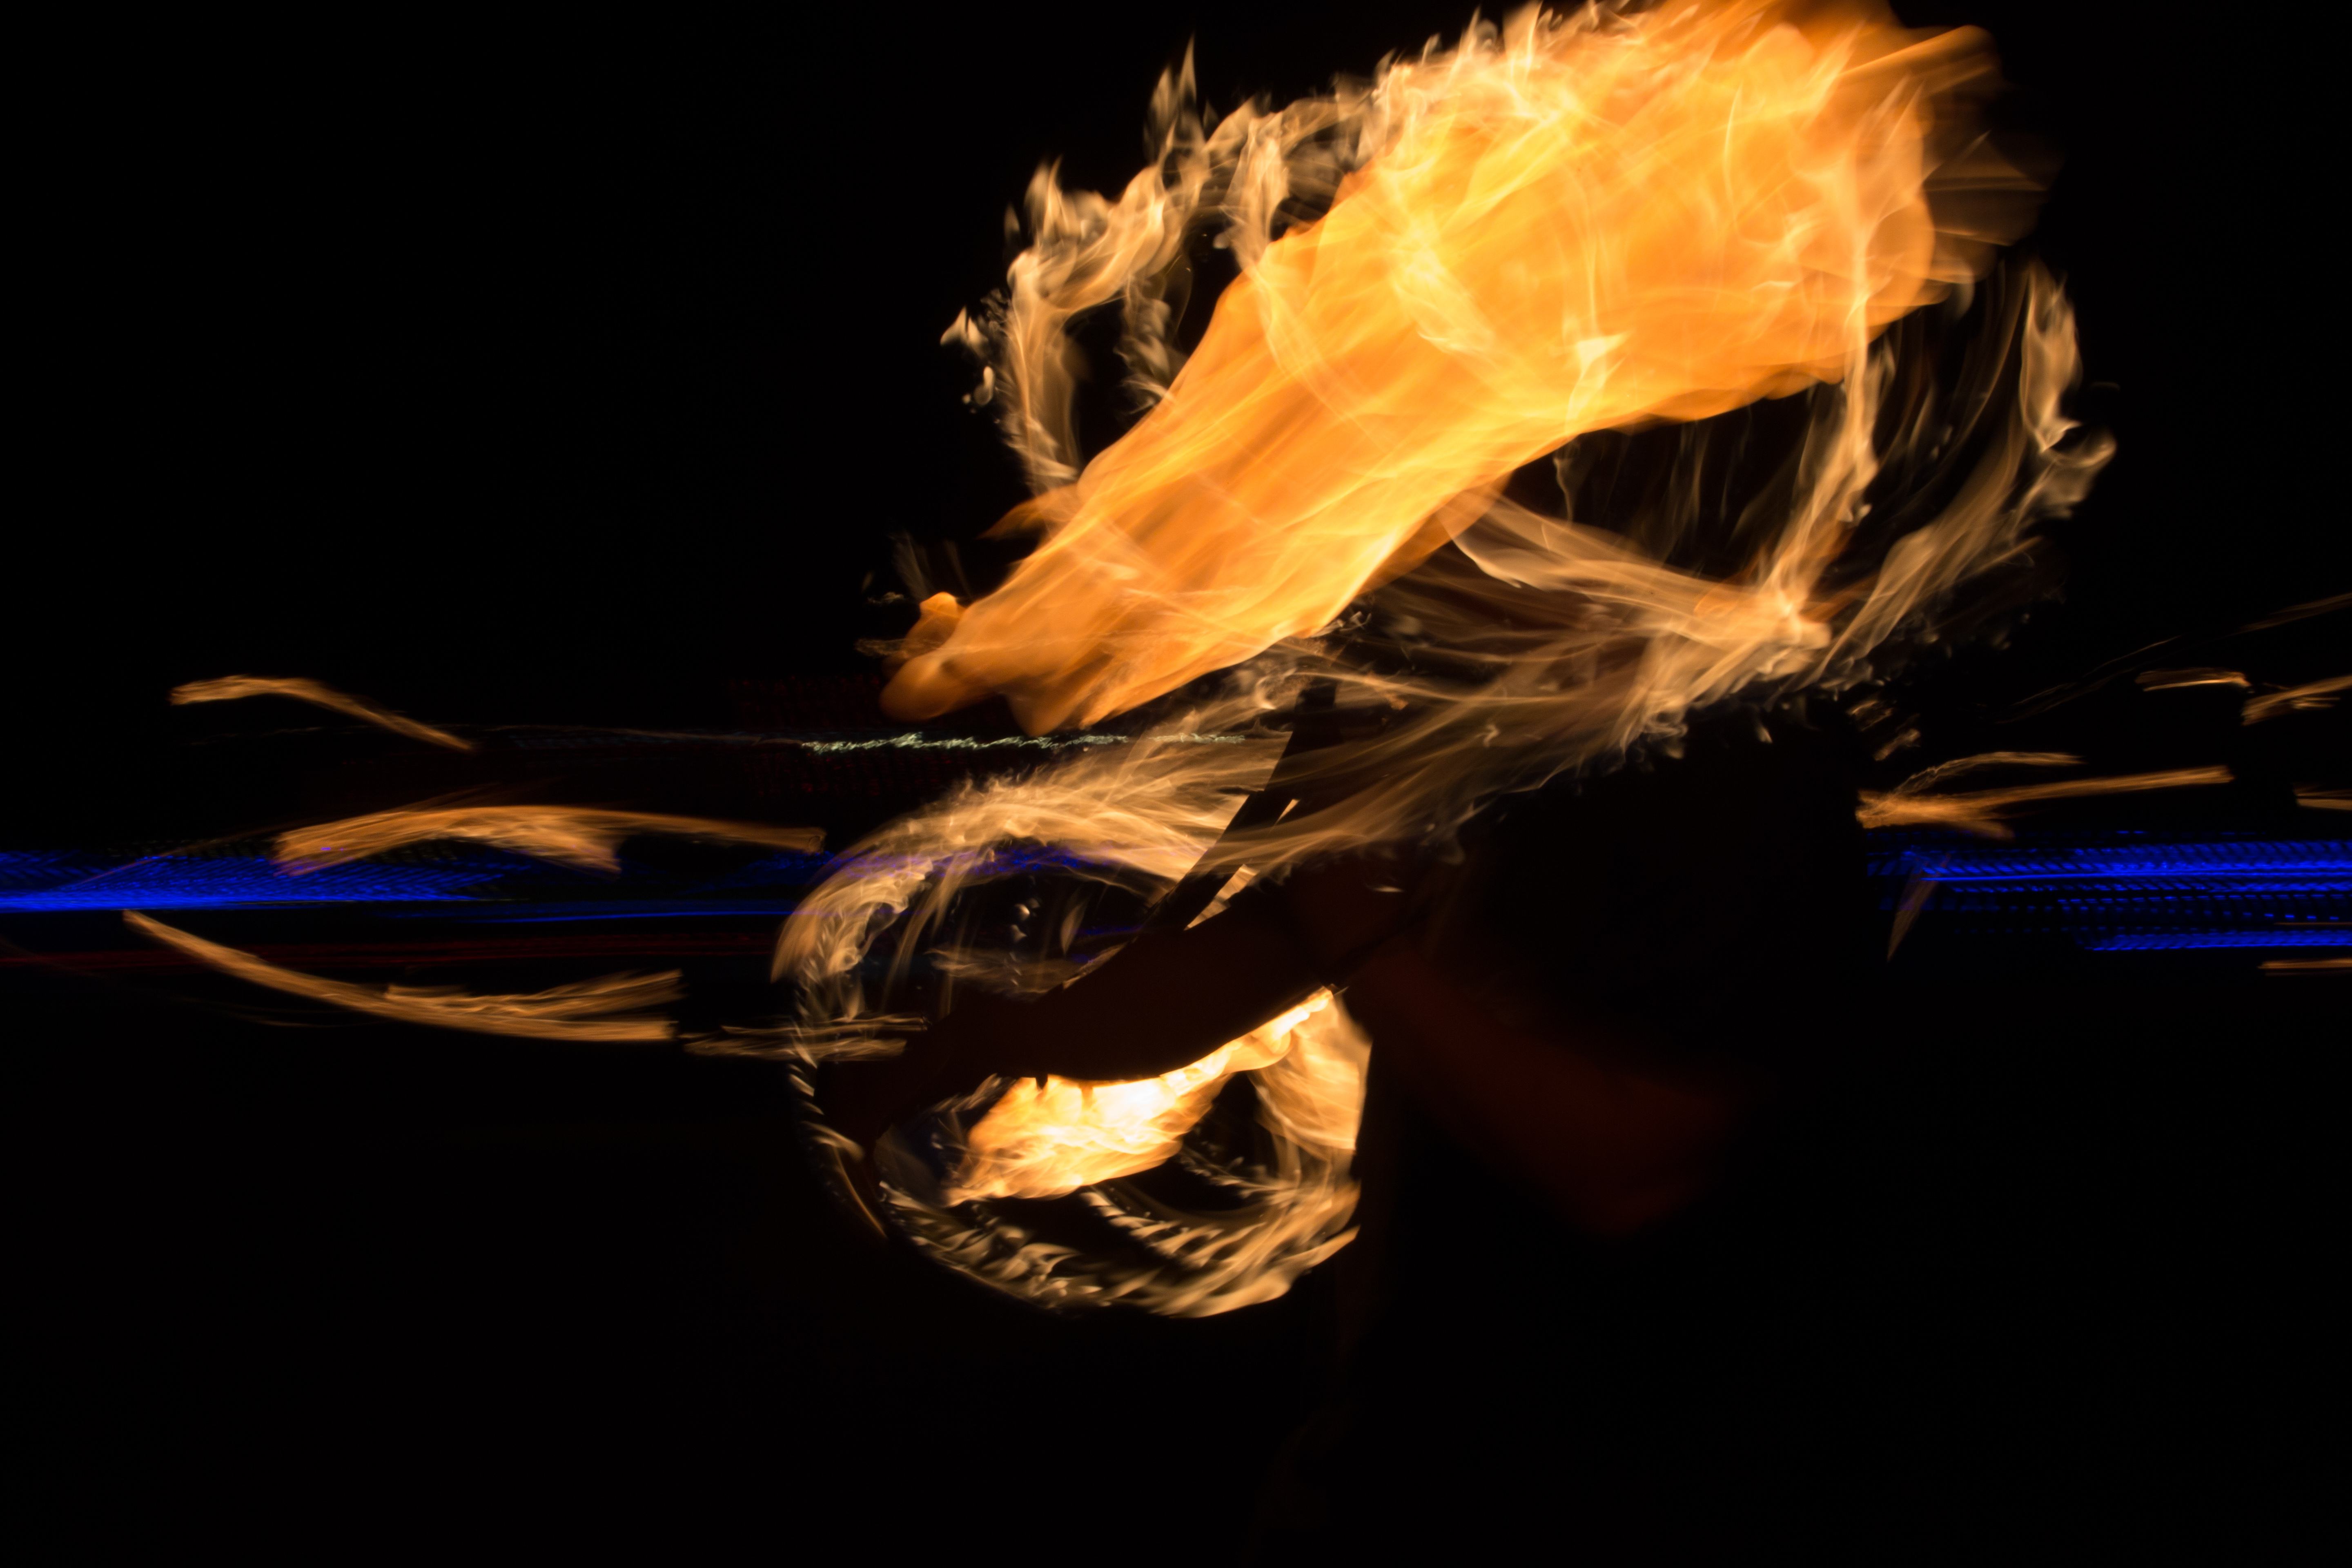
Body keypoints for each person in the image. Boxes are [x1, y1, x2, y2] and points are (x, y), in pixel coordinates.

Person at [826, 699, 1871, 1552]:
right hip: (1395, 1454)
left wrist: (1368, 952)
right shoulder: (1491, 739)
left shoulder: (1737, 785)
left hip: (1619, 1481)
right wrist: (985, 1037)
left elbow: (1627, 1173)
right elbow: (1241, 964)